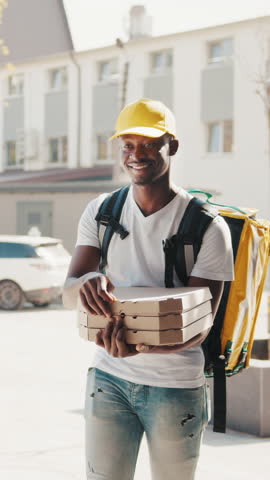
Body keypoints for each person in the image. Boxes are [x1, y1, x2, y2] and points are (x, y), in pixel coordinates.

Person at [63, 98, 234, 480]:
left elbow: (200, 326)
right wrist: (86, 283)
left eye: (148, 144)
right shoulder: (102, 212)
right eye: (127, 144)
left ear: (171, 145)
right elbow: (68, 290)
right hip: (108, 379)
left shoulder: (206, 227)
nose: (136, 155)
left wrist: (142, 347)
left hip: (175, 389)